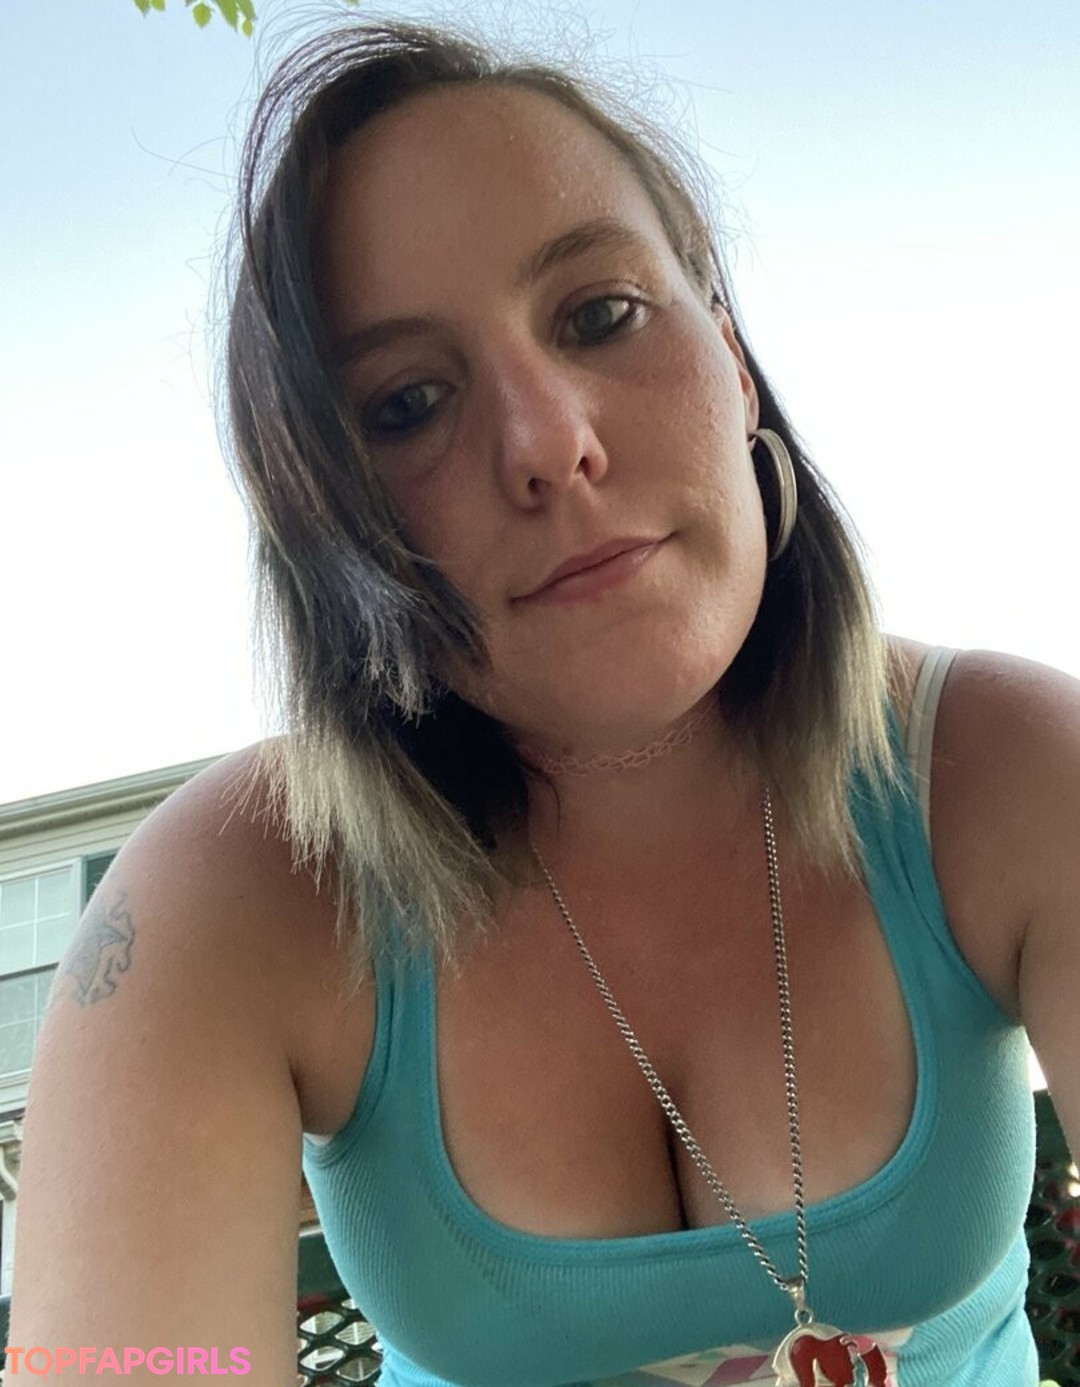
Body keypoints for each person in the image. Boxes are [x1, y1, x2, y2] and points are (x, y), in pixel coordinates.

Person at [9, 18, 1079, 1387]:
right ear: (330, 524)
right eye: (407, 403)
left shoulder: (1003, 774)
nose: (548, 442)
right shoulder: (234, 902)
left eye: (601, 314)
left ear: (731, 352)